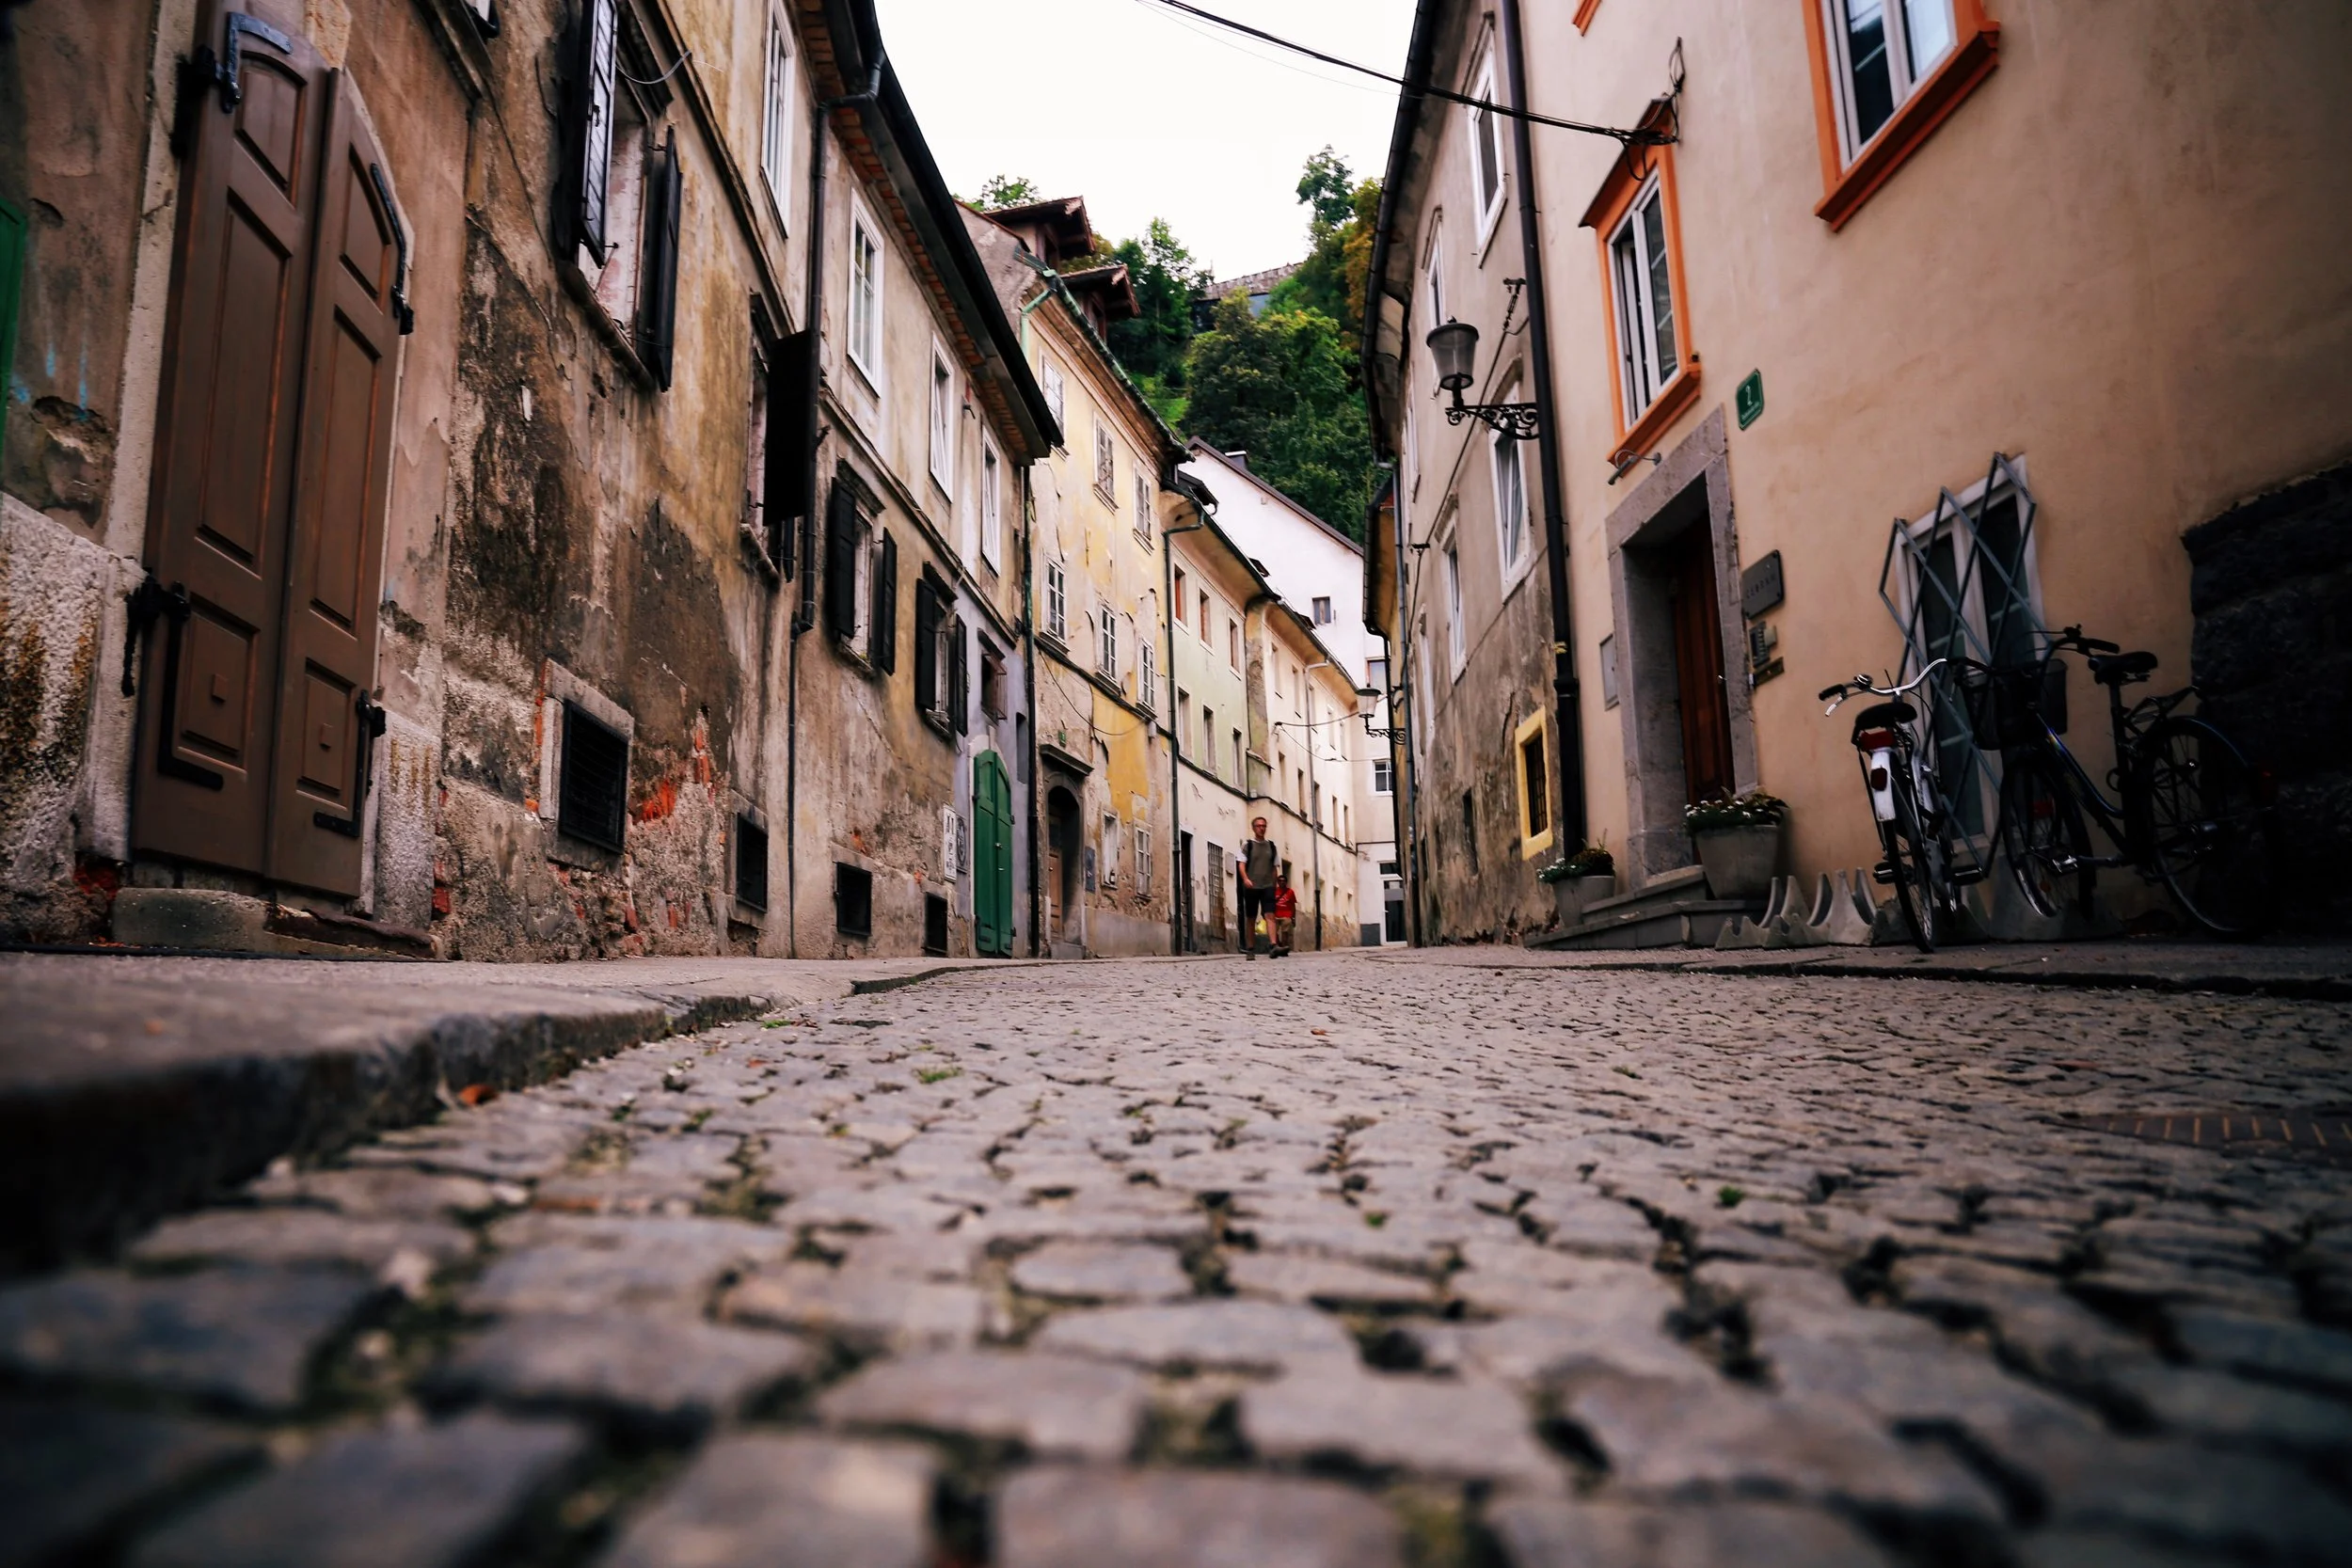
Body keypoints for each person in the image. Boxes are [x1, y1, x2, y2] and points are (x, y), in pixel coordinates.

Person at [1237, 817, 1279, 958]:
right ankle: (1250, 948)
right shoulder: (1247, 845)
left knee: (1270, 915)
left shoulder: (1272, 847)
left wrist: (1274, 885)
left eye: (1264, 826)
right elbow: (1241, 864)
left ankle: (1273, 945)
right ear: (1253, 828)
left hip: (1267, 886)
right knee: (1251, 917)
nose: (1261, 828)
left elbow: (1274, 867)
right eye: (1259, 826)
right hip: (1252, 886)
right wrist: (1245, 879)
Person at [1270, 874, 1297, 958]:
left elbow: (1293, 905)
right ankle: (1277, 947)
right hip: (1276, 915)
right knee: (1274, 933)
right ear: (1278, 882)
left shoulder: (1290, 892)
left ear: (1286, 882)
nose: (1282, 882)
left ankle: (1284, 948)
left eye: (1284, 881)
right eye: (1280, 881)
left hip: (1287, 915)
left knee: (1285, 932)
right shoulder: (1274, 891)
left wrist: (1293, 917)